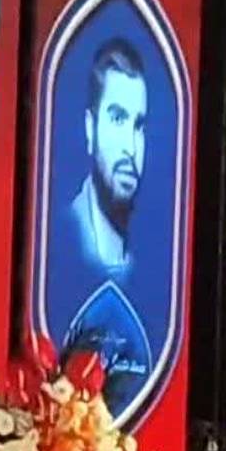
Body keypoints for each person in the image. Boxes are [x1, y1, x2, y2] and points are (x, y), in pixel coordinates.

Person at [67, 38, 147, 279]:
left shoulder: (147, 255)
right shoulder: (63, 238)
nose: (131, 149)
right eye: (118, 119)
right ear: (90, 129)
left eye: (138, 126)